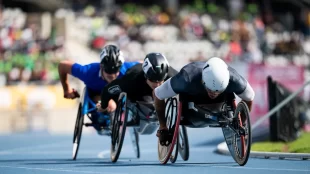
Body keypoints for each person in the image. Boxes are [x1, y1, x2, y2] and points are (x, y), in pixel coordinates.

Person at [153, 57, 255, 145]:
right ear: (203, 80)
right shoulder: (186, 78)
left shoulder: (234, 80)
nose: (214, 93)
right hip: (191, 107)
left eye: (218, 91)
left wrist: (241, 122)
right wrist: (163, 126)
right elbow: (158, 94)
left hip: (221, 104)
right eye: (210, 89)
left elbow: (249, 97)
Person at [58, 44, 139, 133]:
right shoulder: (88, 72)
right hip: (97, 96)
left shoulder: (128, 69)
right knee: (111, 105)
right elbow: (62, 66)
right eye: (108, 71)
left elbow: (145, 64)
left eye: (115, 71)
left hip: (119, 96)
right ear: (101, 66)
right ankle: (104, 114)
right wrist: (66, 89)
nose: (112, 75)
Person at [97, 52, 178, 122]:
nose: (157, 85)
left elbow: (187, 83)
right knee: (147, 106)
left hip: (157, 91)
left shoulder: (172, 75)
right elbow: (107, 90)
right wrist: (104, 105)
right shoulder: (131, 80)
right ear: (146, 76)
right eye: (153, 81)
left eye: (160, 81)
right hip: (138, 90)